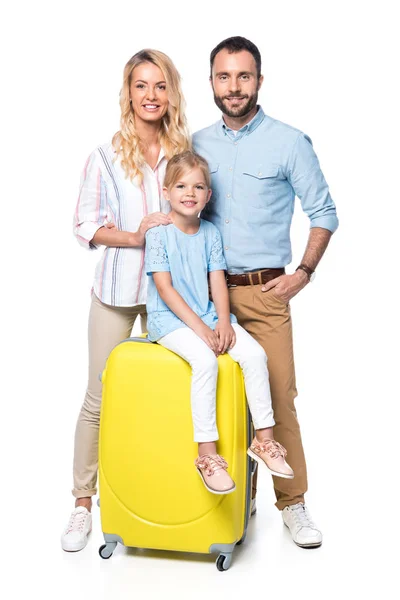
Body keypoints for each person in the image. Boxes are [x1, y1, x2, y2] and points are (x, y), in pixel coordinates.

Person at [193, 36, 338, 547]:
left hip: (264, 294)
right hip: (206, 297)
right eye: (223, 76)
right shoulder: (195, 144)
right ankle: (225, 501)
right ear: (211, 81)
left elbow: (324, 213)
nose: (234, 87)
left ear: (259, 79)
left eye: (243, 76)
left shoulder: (289, 141)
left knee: (277, 399)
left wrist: (303, 273)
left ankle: (293, 504)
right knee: (207, 398)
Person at [61, 49, 191, 552]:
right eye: (142, 86)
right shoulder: (105, 155)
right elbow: (85, 225)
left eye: (160, 86)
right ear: (128, 92)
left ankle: (162, 496)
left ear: (171, 93)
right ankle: (80, 505)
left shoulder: (186, 151)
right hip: (117, 293)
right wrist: (137, 237)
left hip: (173, 295)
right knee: (99, 400)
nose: (151, 96)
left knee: (169, 399)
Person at [145, 150, 294, 494]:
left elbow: (217, 281)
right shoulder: (158, 234)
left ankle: (264, 440)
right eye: (181, 185)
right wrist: (200, 330)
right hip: (170, 321)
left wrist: (224, 322)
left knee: (255, 356)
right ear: (166, 191)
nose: (190, 193)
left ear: (208, 196)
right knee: (205, 361)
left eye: (198, 187)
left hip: (210, 316)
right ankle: (207, 455)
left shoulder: (210, 232)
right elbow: (164, 289)